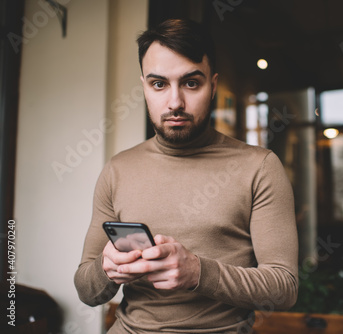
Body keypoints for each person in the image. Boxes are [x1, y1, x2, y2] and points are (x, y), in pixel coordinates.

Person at [74, 18, 298, 333]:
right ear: (145, 87)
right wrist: (106, 269)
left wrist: (198, 273)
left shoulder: (259, 167)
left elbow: (284, 288)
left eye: (191, 83)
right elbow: (86, 291)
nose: (175, 102)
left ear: (214, 85)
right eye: (159, 84)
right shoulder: (117, 170)